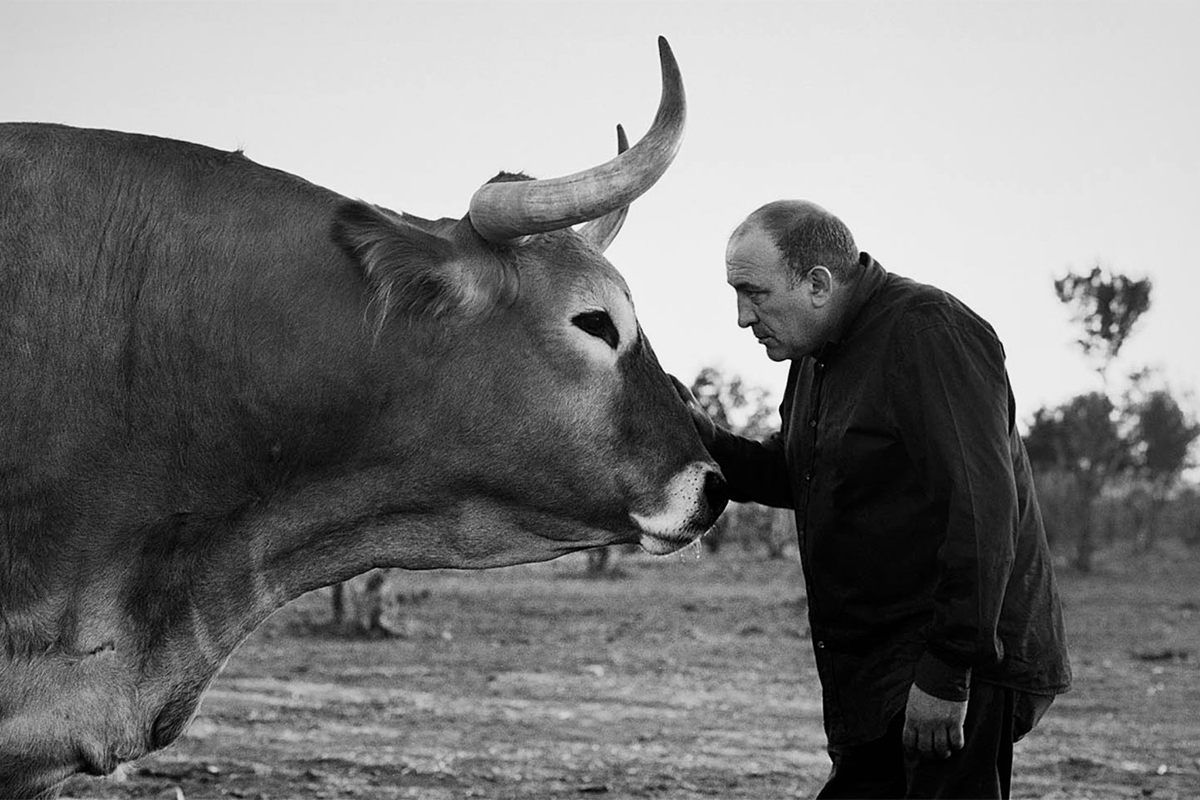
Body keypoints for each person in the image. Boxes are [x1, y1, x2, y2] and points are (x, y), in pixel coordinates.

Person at [679, 200, 1071, 799]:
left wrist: (947, 674)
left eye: (753, 292)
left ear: (817, 284)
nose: (741, 317)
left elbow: (983, 509)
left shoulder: (929, 331)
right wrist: (703, 435)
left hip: (957, 661)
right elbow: (799, 477)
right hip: (883, 669)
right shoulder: (817, 355)